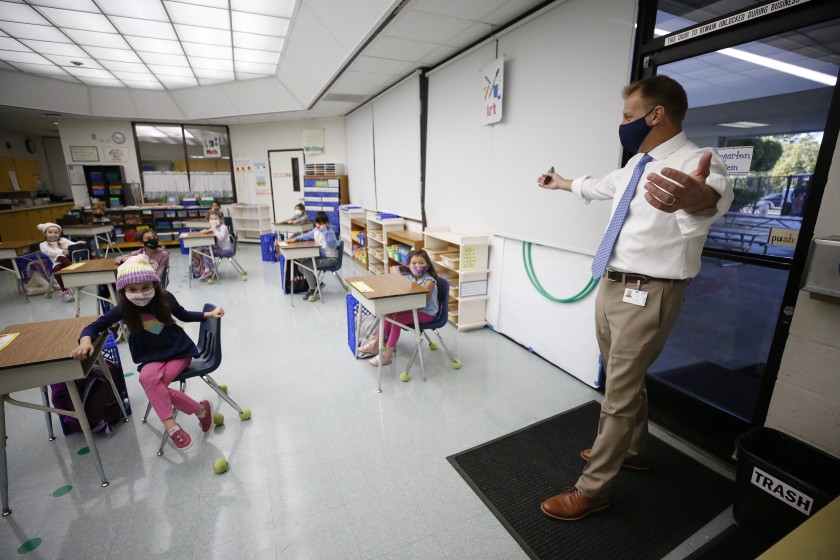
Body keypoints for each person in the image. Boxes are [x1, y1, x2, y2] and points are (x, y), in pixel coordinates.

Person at [536, 75, 733, 521]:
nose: (622, 124)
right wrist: (562, 182)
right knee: (624, 380)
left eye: (628, 116)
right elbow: (601, 186)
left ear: (656, 114)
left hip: (651, 292)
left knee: (619, 393)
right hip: (613, 283)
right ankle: (635, 451)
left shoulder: (699, 161)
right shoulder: (636, 165)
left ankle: (593, 490)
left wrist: (696, 198)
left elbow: (712, 196)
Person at [71, 255, 224, 450]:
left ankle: (172, 427)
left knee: (153, 385)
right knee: (148, 379)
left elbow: (183, 314)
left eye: (145, 287)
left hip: (179, 351)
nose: (140, 293)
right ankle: (201, 409)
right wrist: (85, 341)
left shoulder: (165, 297)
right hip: (151, 356)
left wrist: (208, 314)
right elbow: (93, 327)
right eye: (132, 289)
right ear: (123, 290)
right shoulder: (123, 308)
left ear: (154, 283)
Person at [360, 249, 440, 366]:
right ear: (408, 265)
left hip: (427, 314)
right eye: (414, 263)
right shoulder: (411, 278)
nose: (417, 266)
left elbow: (419, 303)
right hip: (413, 310)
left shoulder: (429, 282)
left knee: (396, 320)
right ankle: (375, 344)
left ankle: (386, 355)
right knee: (388, 314)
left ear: (427, 265)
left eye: (421, 263)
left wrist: (401, 312)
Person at [286, 211, 339, 301]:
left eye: (323, 223)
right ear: (315, 223)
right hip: (321, 258)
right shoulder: (315, 230)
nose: (320, 226)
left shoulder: (330, 231)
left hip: (330, 259)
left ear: (327, 223)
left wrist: (325, 231)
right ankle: (318, 284)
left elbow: (332, 244)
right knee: (301, 267)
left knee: (306, 267)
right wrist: (295, 239)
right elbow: (306, 236)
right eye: (318, 223)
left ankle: (313, 289)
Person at [37, 222, 86, 303]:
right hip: (57, 262)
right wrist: (62, 251)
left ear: (59, 234)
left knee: (60, 262)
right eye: (50, 232)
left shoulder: (63, 240)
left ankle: (75, 277)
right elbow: (49, 252)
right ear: (45, 234)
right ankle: (66, 291)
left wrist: (78, 243)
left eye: (56, 232)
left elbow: (72, 245)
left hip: (68, 260)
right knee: (57, 267)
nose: (53, 234)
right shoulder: (43, 244)